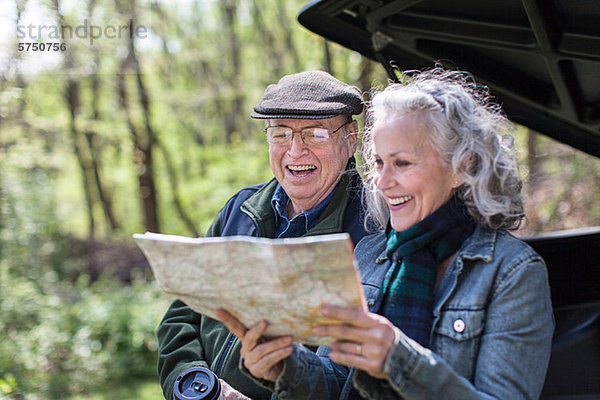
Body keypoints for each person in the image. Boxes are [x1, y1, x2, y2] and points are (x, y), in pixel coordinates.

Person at [218, 68, 554, 399]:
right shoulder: (369, 253)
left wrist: (398, 359)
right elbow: (337, 382)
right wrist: (285, 367)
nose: (381, 181)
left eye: (402, 163)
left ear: (461, 168)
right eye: (378, 163)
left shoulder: (513, 273)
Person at [157, 70, 372, 400]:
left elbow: (355, 377)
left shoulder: (372, 230)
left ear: (350, 137)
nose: (295, 151)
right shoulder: (240, 209)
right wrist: (190, 384)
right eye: (280, 134)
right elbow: (182, 313)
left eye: (315, 134)